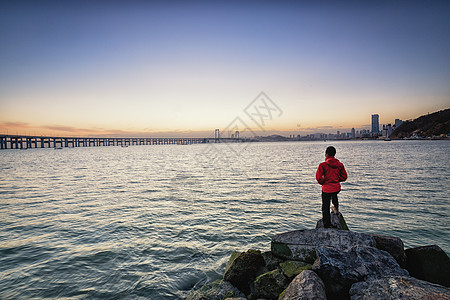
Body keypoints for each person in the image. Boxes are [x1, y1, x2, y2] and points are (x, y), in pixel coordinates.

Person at [316, 146, 348, 228]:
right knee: (334, 196)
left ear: (326, 154)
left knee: (325, 206)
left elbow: (319, 178)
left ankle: (327, 225)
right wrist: (336, 180)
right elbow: (344, 177)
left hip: (326, 189)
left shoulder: (323, 165)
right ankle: (336, 209)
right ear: (334, 154)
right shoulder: (340, 165)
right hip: (336, 188)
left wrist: (324, 181)